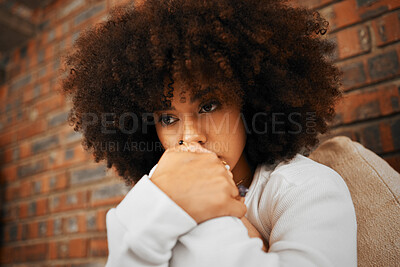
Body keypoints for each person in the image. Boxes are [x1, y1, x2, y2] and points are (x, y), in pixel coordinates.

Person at [59, 0, 357, 266]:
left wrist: (201, 211)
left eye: (209, 105)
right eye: (167, 118)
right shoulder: (153, 195)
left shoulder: (306, 188)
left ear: (250, 103)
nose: (190, 137)